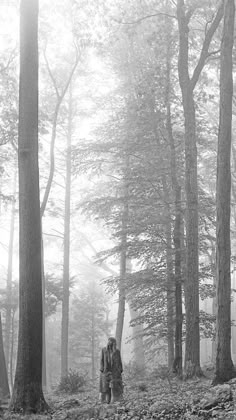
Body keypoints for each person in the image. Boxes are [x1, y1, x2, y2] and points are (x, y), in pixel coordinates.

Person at [99, 337, 123, 403]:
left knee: (115, 387)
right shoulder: (104, 350)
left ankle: (115, 402)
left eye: (111, 341)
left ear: (114, 343)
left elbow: (119, 361)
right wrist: (102, 368)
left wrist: (120, 369)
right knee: (106, 388)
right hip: (106, 371)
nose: (109, 343)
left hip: (114, 371)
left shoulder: (117, 351)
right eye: (109, 341)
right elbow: (101, 360)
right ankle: (106, 402)